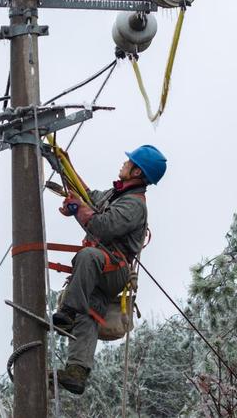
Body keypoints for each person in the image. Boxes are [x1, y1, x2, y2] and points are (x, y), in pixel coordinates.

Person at [51, 145, 167, 394]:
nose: (123, 164)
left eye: (129, 163)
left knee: (88, 256)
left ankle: (68, 312)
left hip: (114, 268)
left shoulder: (134, 205)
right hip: (101, 271)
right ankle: (77, 372)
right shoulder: (116, 196)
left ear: (137, 171)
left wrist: (78, 210)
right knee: (90, 312)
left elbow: (102, 226)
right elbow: (87, 195)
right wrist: (61, 164)